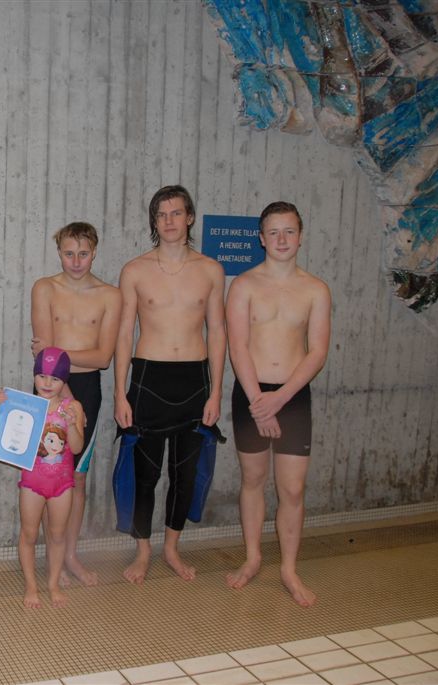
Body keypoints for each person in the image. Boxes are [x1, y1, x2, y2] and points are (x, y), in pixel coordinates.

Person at [113, 185, 226, 583]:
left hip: (194, 380)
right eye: (161, 215)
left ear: (190, 217)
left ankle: (172, 548)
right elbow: (124, 333)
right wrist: (119, 392)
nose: (169, 221)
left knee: (185, 473)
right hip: (148, 378)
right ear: (154, 221)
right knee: (145, 473)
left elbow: (218, 333)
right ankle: (143, 550)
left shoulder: (210, 270)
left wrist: (216, 391)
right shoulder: (135, 270)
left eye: (176, 213)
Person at [224, 201, 331, 607]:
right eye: (273, 232)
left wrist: (280, 399)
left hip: (293, 396)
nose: (282, 239)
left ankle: (288, 568)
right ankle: (253, 557)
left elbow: (317, 352)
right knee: (253, 479)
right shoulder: (244, 285)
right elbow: (238, 346)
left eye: (289, 231)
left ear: (300, 236)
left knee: (292, 487)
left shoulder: (316, 289)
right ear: (261, 238)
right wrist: (258, 401)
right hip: (251, 393)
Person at [30, 222, 121, 586]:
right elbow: (46, 360)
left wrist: (59, 354)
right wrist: (62, 392)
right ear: (59, 253)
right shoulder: (45, 288)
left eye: (83, 253)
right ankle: (50, 555)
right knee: (44, 472)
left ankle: (69, 554)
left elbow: (103, 357)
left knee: (77, 477)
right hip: (47, 388)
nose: (76, 261)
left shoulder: (110, 295)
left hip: (87, 389)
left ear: (94, 252)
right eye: (69, 253)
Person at [0, 348, 85, 609]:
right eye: (42, 376)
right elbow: (8, 438)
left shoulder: (73, 407)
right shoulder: (26, 406)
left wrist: (72, 424)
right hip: (32, 483)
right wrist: (2, 409)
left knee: (57, 535)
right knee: (29, 534)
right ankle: (31, 585)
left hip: (62, 484)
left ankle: (53, 584)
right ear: (34, 375)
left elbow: (77, 448)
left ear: (64, 380)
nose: (47, 383)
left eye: (55, 379)